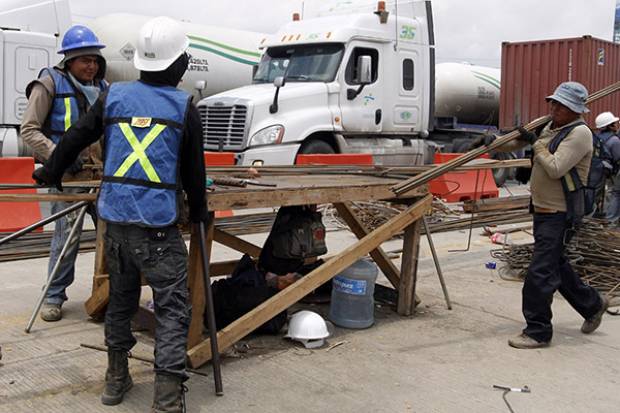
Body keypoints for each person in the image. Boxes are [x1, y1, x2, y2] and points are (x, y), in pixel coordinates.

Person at [32, 16, 207, 412]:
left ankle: (115, 381)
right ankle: (166, 398)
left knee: (122, 303)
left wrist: (51, 170)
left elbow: (76, 135)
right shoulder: (183, 107)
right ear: (178, 65)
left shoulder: (114, 97)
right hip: (158, 233)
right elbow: (195, 176)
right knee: (173, 309)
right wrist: (199, 212)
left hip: (115, 227)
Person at [471, 81, 608, 349]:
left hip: (561, 214)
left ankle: (538, 331)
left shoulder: (579, 133)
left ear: (574, 109)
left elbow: (555, 167)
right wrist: (494, 143)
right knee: (554, 264)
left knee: (540, 274)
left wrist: (536, 144)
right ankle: (592, 304)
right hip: (543, 210)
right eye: (553, 103)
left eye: (560, 104)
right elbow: (519, 144)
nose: (553, 107)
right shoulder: (550, 126)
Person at [20, 25, 108, 322]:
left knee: (111, 237)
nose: (91, 65)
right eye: (85, 60)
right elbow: (29, 130)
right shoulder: (49, 84)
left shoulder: (104, 89)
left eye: (95, 60)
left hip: (100, 176)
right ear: (68, 60)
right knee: (66, 237)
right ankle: (54, 295)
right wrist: (59, 157)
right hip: (68, 177)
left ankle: (107, 294)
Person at [593, 112, 620, 223]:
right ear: (610, 125)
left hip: (599, 169)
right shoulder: (614, 140)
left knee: (600, 194)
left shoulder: (598, 137)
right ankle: (611, 219)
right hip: (612, 170)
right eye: (615, 123)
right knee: (616, 193)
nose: (617, 124)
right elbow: (618, 157)